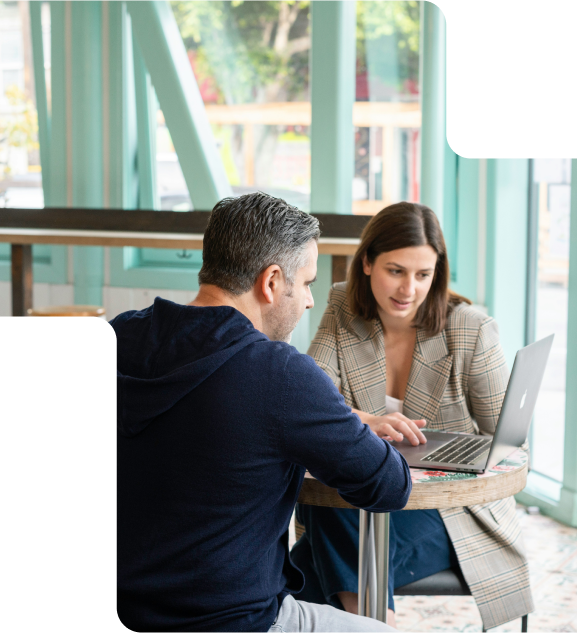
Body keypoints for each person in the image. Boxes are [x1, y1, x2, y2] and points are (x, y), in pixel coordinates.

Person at [114, 192, 412, 633]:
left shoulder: (117, 335)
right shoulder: (281, 374)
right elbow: (390, 485)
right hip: (236, 623)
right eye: (306, 283)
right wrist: (345, 419)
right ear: (271, 281)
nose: (309, 300)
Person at [291, 202, 533, 631]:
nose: (409, 289)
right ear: (367, 263)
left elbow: (509, 443)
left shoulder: (470, 329)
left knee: (297, 569)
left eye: (424, 275)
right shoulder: (343, 306)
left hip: (450, 511)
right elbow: (310, 399)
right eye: (396, 271)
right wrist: (363, 420)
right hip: (366, 496)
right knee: (339, 511)